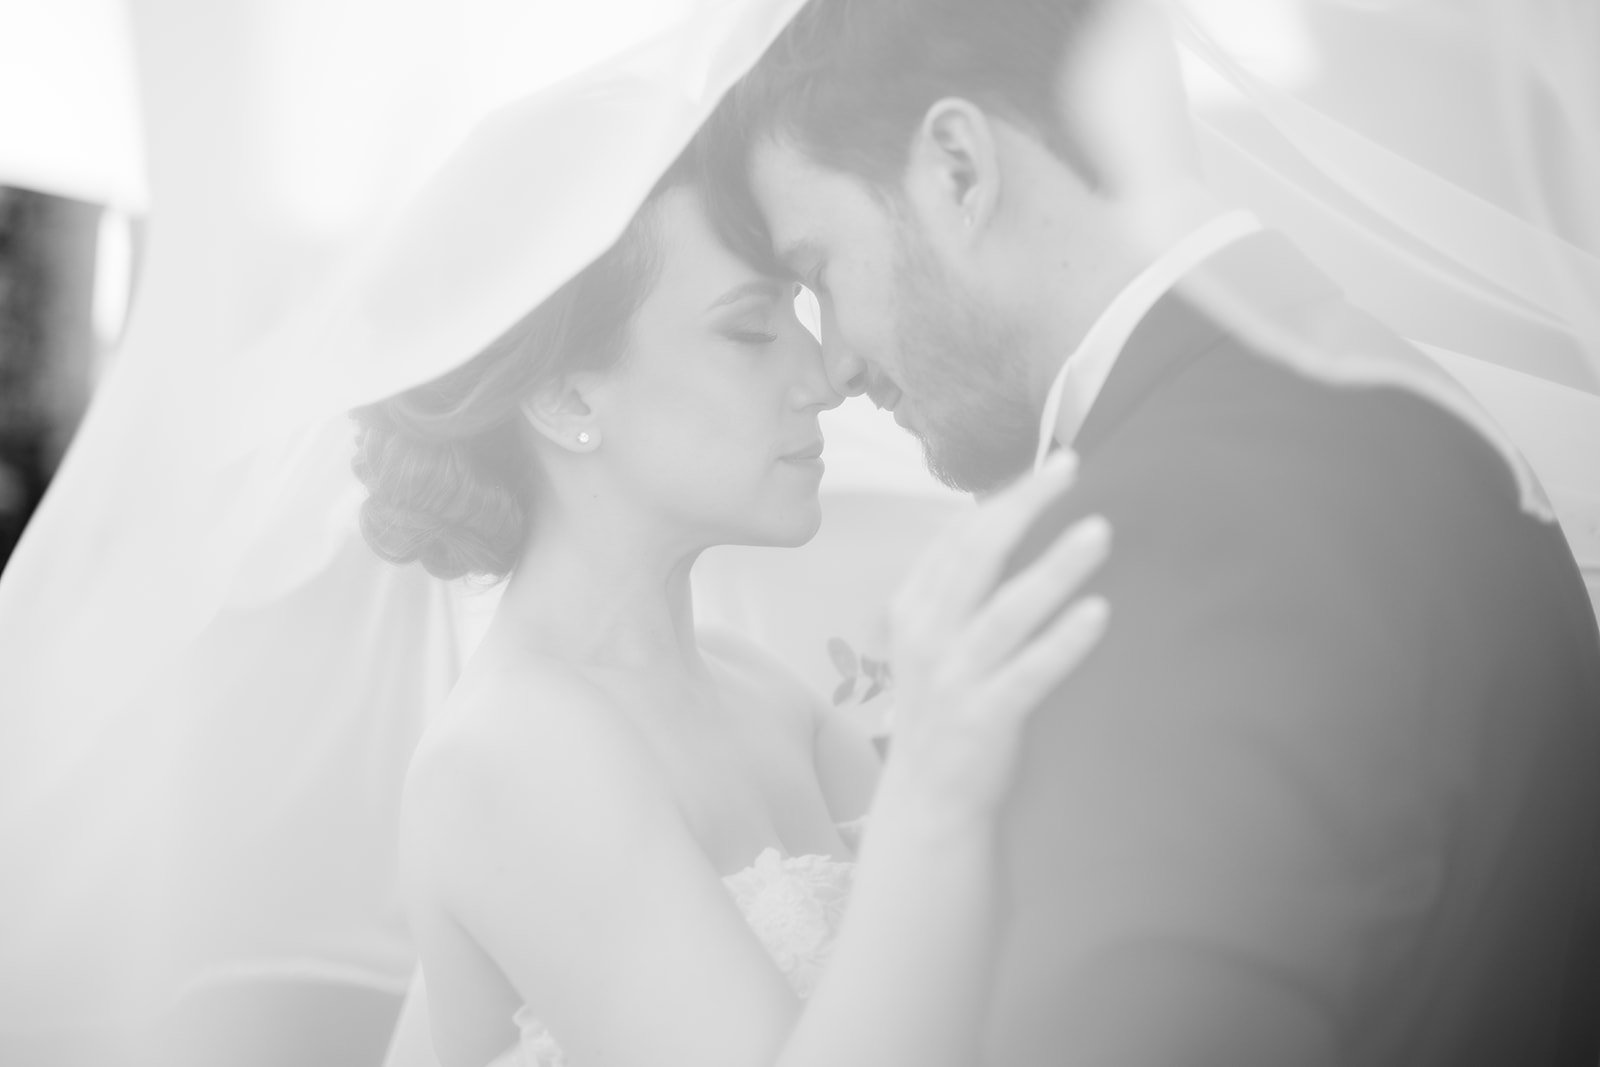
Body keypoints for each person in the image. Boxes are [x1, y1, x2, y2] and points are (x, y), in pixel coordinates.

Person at [703, 0, 1600, 1063]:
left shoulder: (1147, 540)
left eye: (819, 274)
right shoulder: (1371, 393)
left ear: (956, 166)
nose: (839, 362)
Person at [361, 143, 1113, 1067]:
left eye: (800, 310)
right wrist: (935, 783)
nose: (825, 375)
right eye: (750, 330)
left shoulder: (761, 691)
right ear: (562, 397)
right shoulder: (505, 754)